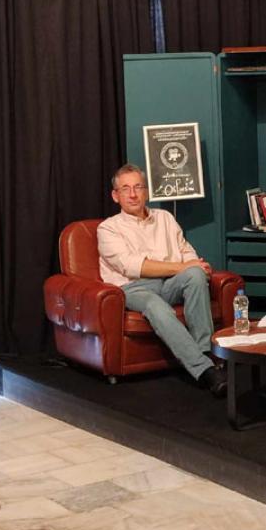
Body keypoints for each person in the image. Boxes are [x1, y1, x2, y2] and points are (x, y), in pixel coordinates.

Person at [97, 164, 227, 397]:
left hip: (169, 283)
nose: (133, 194)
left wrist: (195, 265)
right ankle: (205, 370)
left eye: (138, 187)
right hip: (134, 288)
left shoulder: (165, 218)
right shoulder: (108, 228)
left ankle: (205, 351)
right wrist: (184, 266)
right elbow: (134, 266)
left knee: (196, 275)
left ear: (146, 192)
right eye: (125, 189)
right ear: (115, 196)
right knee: (155, 304)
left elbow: (185, 251)